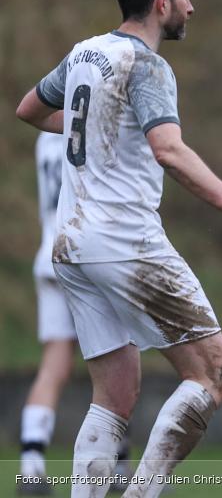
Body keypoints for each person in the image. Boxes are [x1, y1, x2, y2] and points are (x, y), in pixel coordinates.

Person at [16, 0, 222, 498]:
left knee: (113, 396)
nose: (192, 5)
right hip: (123, 241)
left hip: (71, 244)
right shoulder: (147, 65)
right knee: (213, 374)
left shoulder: (85, 52)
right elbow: (170, 150)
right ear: (162, 3)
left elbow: (30, 111)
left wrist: (99, 122)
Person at [18, 132, 133, 496]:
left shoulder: (42, 138)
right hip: (86, 257)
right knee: (118, 361)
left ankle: (31, 466)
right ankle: (118, 465)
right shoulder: (92, 128)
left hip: (48, 256)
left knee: (53, 367)